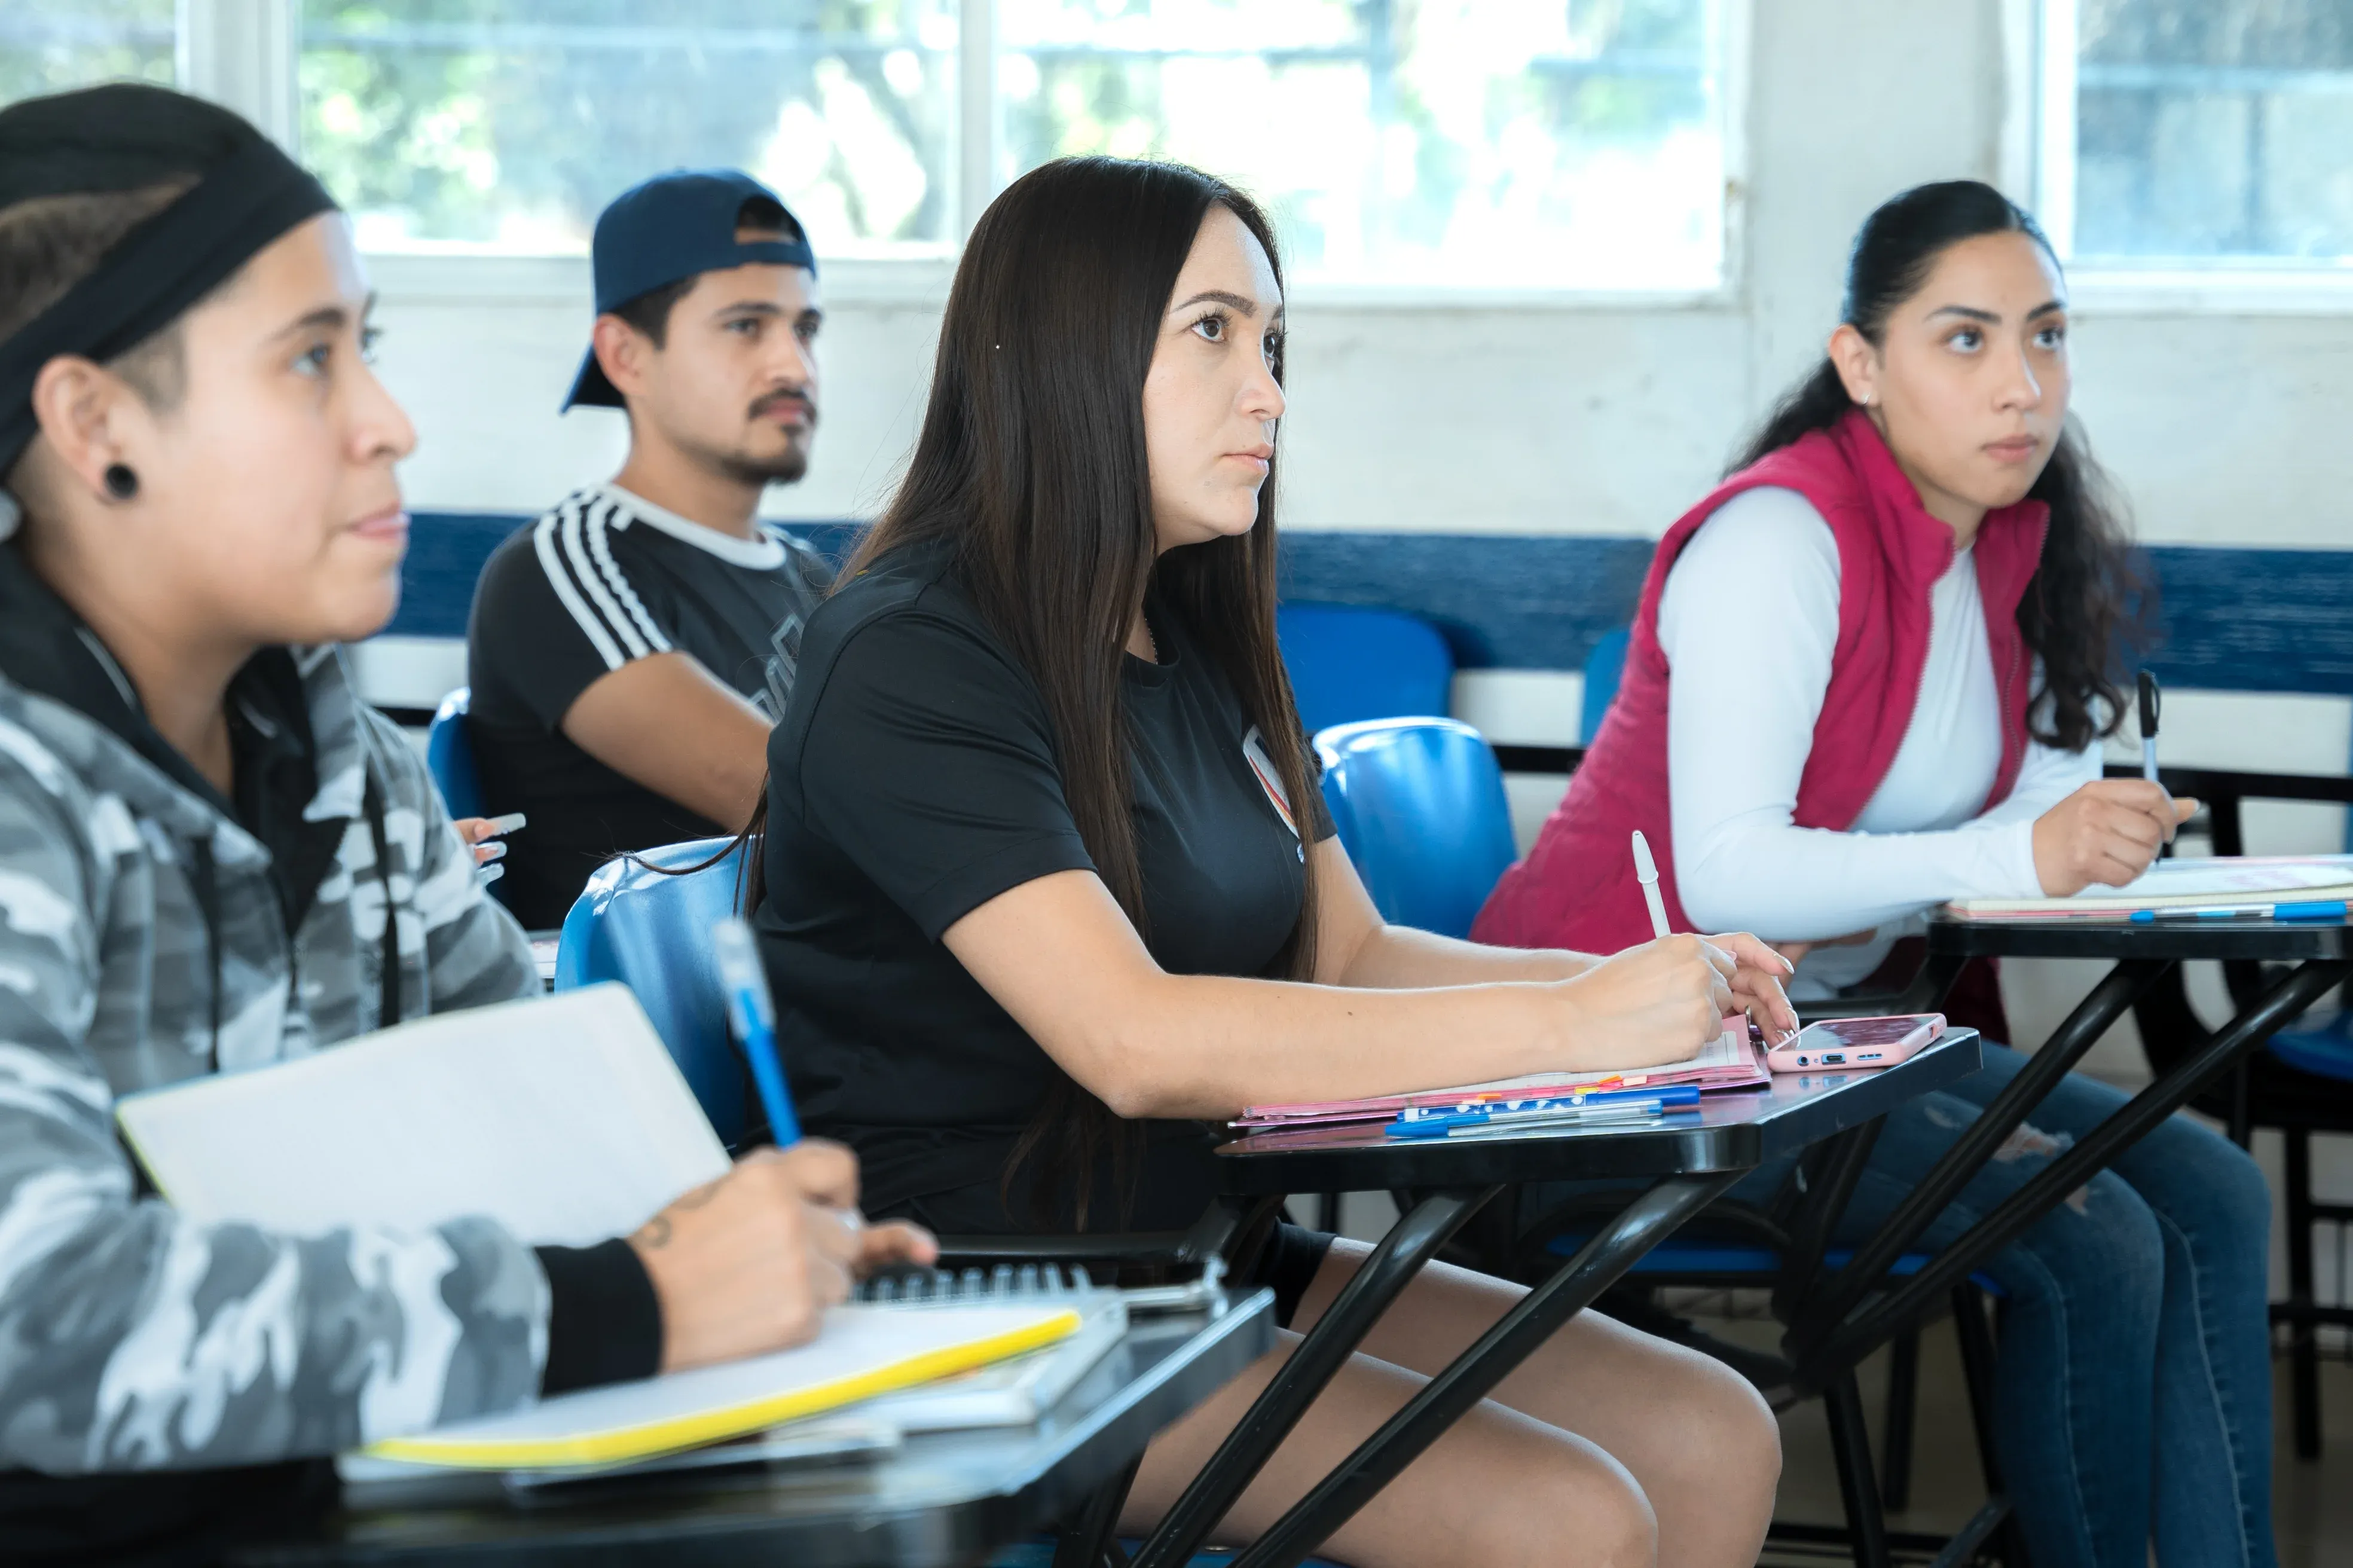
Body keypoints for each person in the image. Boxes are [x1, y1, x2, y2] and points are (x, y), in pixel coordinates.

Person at [751, 155, 1791, 1568]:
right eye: (1213, 332)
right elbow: (1130, 1037)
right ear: (1060, 351)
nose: (1269, 392)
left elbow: (1349, 949)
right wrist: (1568, 1029)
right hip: (987, 1303)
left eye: (1273, 342)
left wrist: (1637, 987)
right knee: (1570, 1519)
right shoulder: (905, 654)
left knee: (1715, 1428)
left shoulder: (1192, 631)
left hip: (1201, 1257)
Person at [0, 86, 930, 1566]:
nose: (390, 423)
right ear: (94, 421)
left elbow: (529, 1086)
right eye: (311, 360)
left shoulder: (324, 745)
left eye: (365, 348)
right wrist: (640, 1298)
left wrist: (741, 1237)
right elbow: (34, 1329)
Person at [1476, 181, 2273, 1568]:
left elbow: (1979, 794)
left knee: (2210, 1187)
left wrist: (2075, 810)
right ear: (1861, 365)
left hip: (1819, 1037)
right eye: (1963, 339)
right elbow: (1731, 867)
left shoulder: (1991, 544)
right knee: (2094, 1239)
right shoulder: (1777, 538)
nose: (2021, 382)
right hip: (1621, 1057)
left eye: (2046, 334)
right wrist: (2022, 847)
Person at [466, 169, 834, 928]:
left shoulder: (809, 575)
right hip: (666, 1031)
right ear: (626, 355)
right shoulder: (560, 569)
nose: (794, 366)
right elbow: (803, 802)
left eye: (805, 329)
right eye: (745, 326)